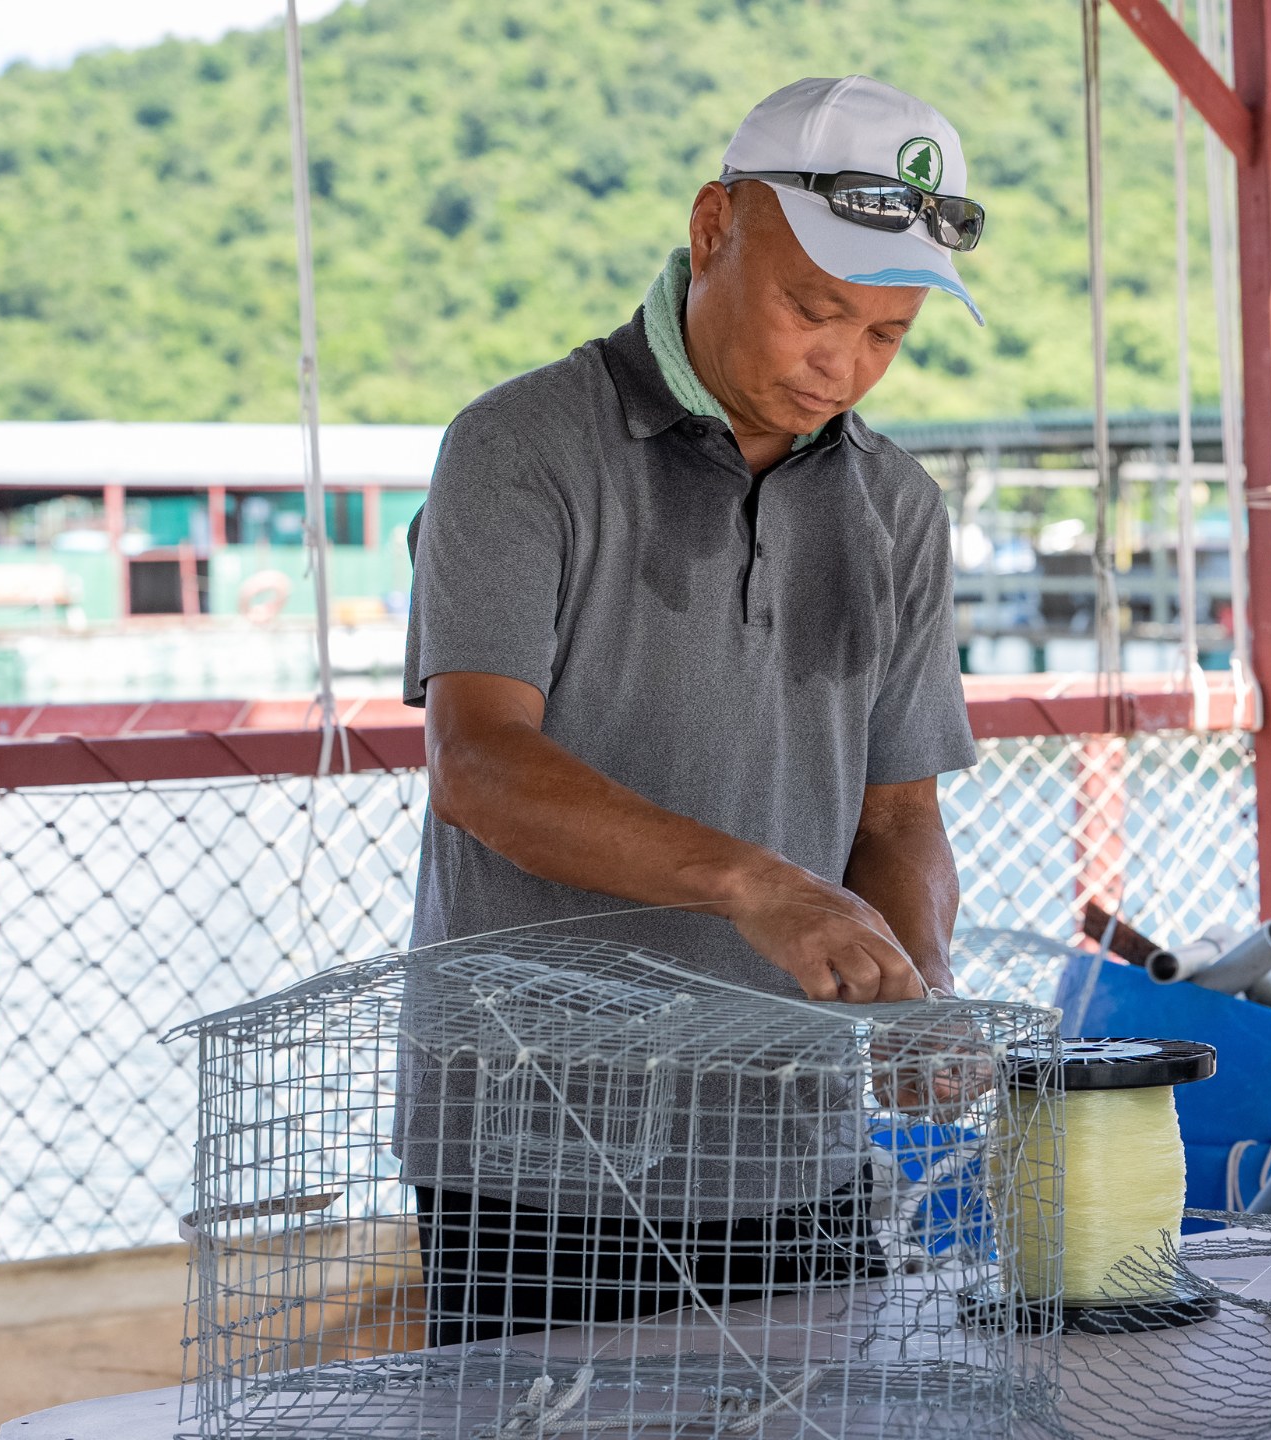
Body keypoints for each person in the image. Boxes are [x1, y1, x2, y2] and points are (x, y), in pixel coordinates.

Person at [395, 75, 991, 1343]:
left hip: (798, 1149)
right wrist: (757, 886)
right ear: (712, 227)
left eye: (887, 334)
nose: (842, 363)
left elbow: (897, 816)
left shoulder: (900, 507)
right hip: (534, 1158)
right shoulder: (519, 446)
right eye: (812, 310)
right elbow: (479, 765)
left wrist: (919, 990)